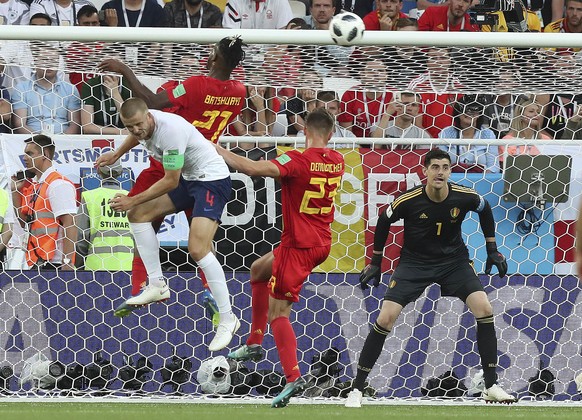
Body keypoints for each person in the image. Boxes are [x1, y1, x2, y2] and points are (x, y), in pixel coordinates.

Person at [345, 148, 515, 408]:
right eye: (434, 167)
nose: (440, 172)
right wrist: (376, 262)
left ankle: (490, 384)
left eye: (445, 167)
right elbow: (383, 219)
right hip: (414, 264)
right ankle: (357, 388)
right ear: (424, 171)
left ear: (450, 171)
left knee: (484, 308)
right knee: (386, 317)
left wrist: (492, 249)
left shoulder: (464, 195)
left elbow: (484, 208)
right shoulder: (408, 200)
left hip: (454, 263)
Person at [97, 36, 246, 312]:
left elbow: (149, 108)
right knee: (201, 240)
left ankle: (142, 285)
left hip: (171, 164)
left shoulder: (192, 86)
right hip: (204, 165)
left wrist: (124, 69)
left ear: (214, 58)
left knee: (141, 220)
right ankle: (210, 291)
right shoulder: (239, 91)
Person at [220, 108, 345, 408]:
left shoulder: (297, 159)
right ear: (330, 134)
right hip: (321, 242)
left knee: (280, 314)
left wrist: (213, 146)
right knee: (259, 269)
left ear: (303, 130)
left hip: (298, 246)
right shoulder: (338, 161)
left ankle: (292, 377)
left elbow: (252, 168)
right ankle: (253, 342)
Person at [96, 98, 238, 352]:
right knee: (138, 215)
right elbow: (136, 135)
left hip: (211, 181)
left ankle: (228, 318)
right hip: (189, 178)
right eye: (130, 127)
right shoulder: (142, 124)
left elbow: (171, 181)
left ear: (149, 116)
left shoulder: (170, 131)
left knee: (198, 249)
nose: (136, 131)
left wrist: (132, 199)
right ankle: (157, 284)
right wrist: (117, 153)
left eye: (139, 124)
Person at [11, 134, 77, 270]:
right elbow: (24, 221)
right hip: (39, 260)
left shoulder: (57, 184)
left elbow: (70, 223)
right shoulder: (37, 185)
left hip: (56, 262)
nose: (25, 158)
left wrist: (68, 261)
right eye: (24, 154)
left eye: (30, 153)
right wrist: (15, 192)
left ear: (45, 154)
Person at [76, 159, 134, 270]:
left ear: (98, 171)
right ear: (121, 172)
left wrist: (79, 266)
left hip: (95, 267)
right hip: (128, 266)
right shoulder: (132, 199)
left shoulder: (89, 197)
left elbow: (80, 237)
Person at [12, 59, 81, 135]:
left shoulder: (70, 89)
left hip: (64, 141)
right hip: (31, 140)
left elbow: (74, 124)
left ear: (58, 64)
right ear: (35, 63)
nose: (49, 65)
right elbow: (20, 124)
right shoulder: (22, 88)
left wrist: (61, 141)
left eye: (53, 61)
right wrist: (40, 141)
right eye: (45, 60)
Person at [438, 95, 499, 173]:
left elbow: (494, 167)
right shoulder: (445, 133)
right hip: (452, 180)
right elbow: (440, 165)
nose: (470, 113)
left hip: (481, 180)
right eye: (466, 110)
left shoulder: (488, 135)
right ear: (458, 113)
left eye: (475, 111)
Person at [222, 0, 293, 29]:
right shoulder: (234, 1)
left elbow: (286, 35)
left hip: (273, 56)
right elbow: (230, 36)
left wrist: (275, 53)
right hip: (241, 54)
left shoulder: (281, 2)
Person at [29, 0, 95, 25]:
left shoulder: (86, 4)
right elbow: (38, 28)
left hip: (79, 51)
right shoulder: (40, 4)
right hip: (49, 50)